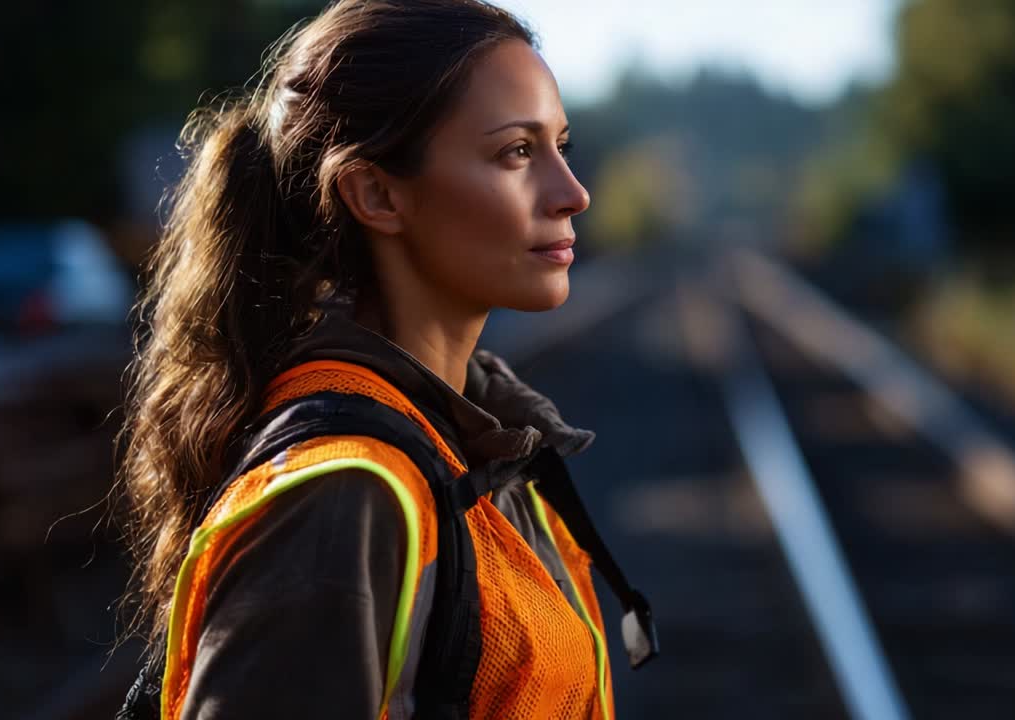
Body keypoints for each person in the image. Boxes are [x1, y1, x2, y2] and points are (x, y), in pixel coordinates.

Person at [113, 1, 655, 718]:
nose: (572, 194)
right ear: (375, 193)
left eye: (561, 146)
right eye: (516, 153)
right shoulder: (341, 498)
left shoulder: (472, 446)